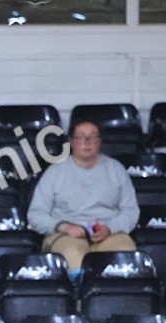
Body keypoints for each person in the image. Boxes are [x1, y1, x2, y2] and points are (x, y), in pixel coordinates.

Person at [26, 119, 139, 277]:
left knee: (124, 253)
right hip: (67, 234)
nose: (87, 142)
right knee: (72, 254)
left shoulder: (116, 169)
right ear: (71, 142)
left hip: (108, 232)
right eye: (80, 137)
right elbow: (35, 215)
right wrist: (63, 227)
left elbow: (131, 211)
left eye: (92, 137)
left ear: (99, 142)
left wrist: (111, 228)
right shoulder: (55, 172)